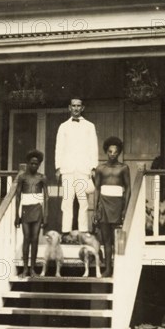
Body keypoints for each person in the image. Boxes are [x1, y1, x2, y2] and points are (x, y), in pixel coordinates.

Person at [55, 98, 98, 237]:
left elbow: (93, 147)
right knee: (67, 201)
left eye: (78, 106)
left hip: (83, 169)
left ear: (82, 108)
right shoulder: (63, 126)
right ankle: (66, 232)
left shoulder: (90, 126)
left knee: (83, 202)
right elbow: (59, 148)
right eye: (73, 106)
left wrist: (93, 167)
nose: (76, 108)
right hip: (67, 169)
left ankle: (83, 231)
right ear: (69, 107)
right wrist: (58, 167)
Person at [93, 136, 130, 277]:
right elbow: (96, 189)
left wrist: (125, 209)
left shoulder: (124, 168)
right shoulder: (100, 168)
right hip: (104, 204)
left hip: (118, 205)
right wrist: (95, 208)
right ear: (106, 152)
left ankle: (119, 269)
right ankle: (108, 269)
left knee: (119, 240)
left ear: (119, 152)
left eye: (115, 152)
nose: (113, 154)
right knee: (107, 240)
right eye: (110, 151)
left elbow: (128, 189)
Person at [14, 149, 48, 277]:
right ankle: (25, 269)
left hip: (38, 210)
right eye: (32, 163)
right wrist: (17, 216)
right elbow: (17, 197)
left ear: (39, 165)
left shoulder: (42, 177)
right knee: (26, 238)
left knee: (34, 239)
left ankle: (33, 269)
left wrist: (46, 216)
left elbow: (46, 197)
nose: (34, 166)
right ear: (28, 163)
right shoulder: (22, 177)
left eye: (36, 164)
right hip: (25, 210)